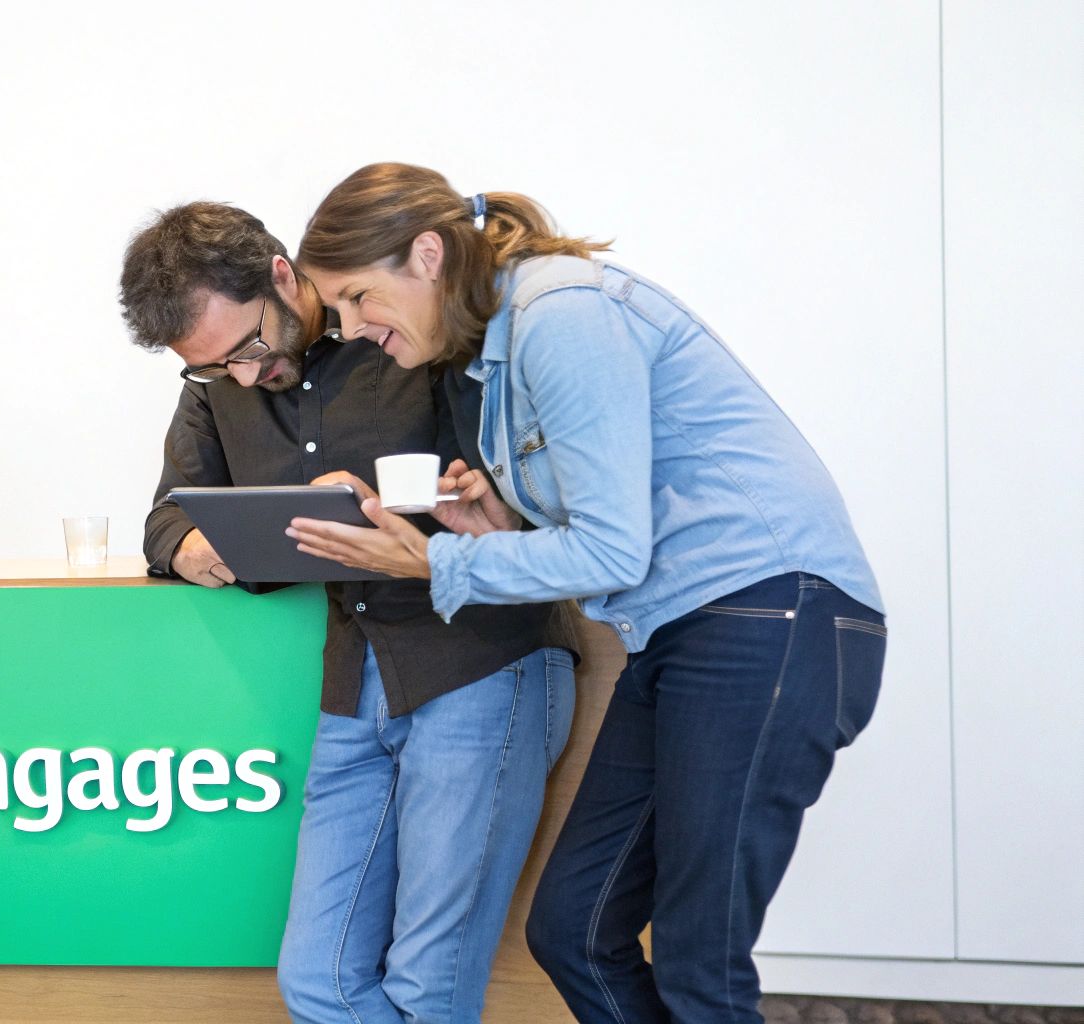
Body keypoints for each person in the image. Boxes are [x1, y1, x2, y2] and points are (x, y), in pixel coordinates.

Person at [286, 163, 887, 1023]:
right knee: (574, 929)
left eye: (355, 297)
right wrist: (500, 530)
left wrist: (433, 563)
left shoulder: (559, 311)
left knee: (699, 964)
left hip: (768, 615)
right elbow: (604, 536)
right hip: (680, 631)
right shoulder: (501, 353)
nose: (349, 329)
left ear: (426, 255)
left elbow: (611, 549)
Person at [121, 201, 575, 1023]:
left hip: (476, 662)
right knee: (318, 982)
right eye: (213, 368)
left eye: (248, 349)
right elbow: (167, 516)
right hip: (353, 680)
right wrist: (188, 545)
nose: (244, 377)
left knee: (427, 986)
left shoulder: (403, 326)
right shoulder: (219, 384)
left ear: (282, 276)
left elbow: (522, 496)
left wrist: (398, 509)